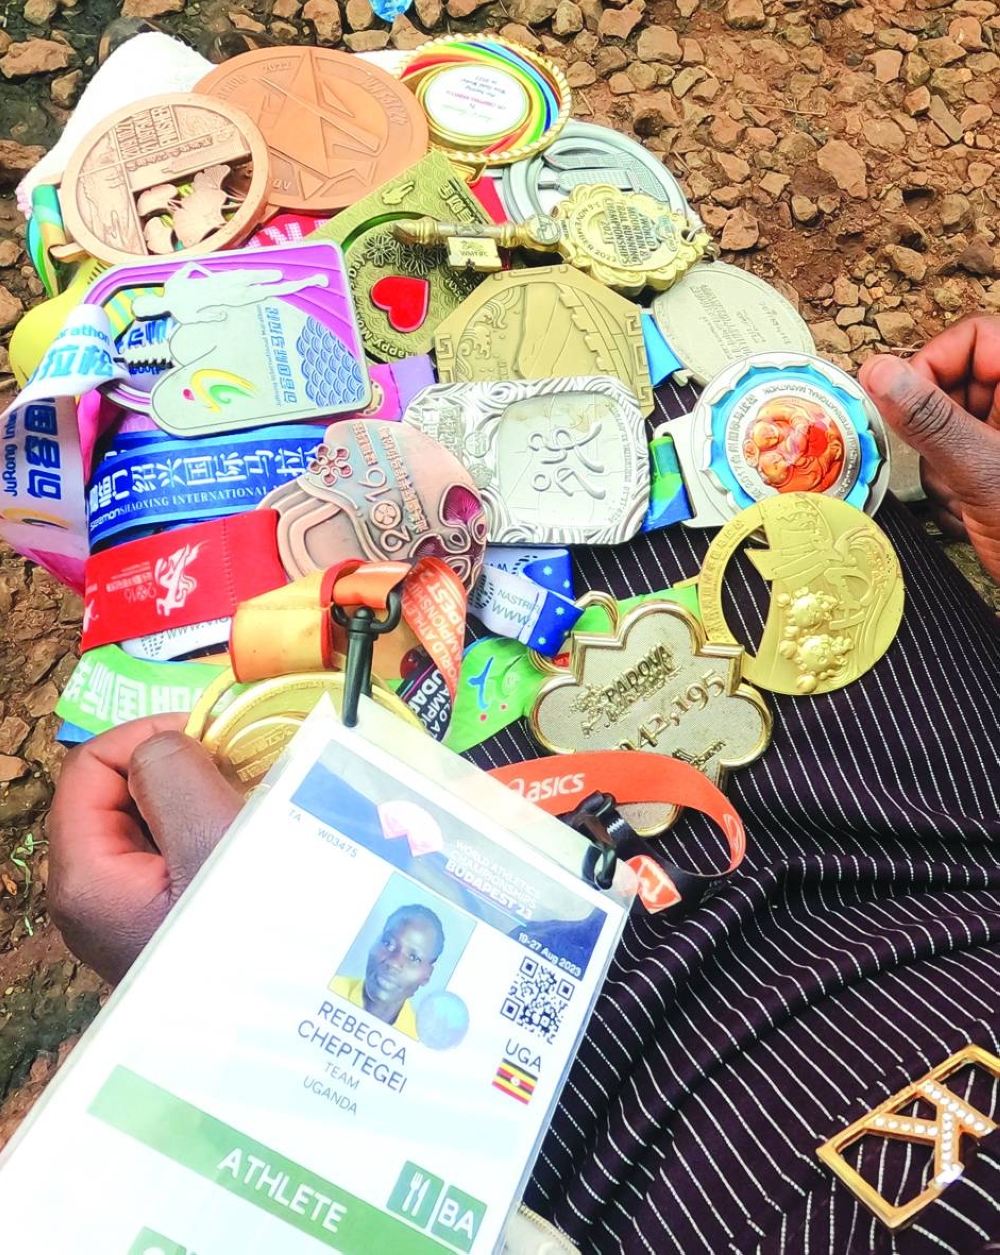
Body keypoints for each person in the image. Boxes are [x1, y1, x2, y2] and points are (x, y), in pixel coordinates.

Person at [45, 318, 1000, 1254]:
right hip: (942, 820)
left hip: (543, 1089)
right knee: (581, 358)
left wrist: (246, 995)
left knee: (245, 486)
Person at [330, 903, 444, 1039]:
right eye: (387, 943)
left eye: (413, 957)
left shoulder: (416, 1042)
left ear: (427, 975)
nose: (394, 963)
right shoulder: (327, 987)